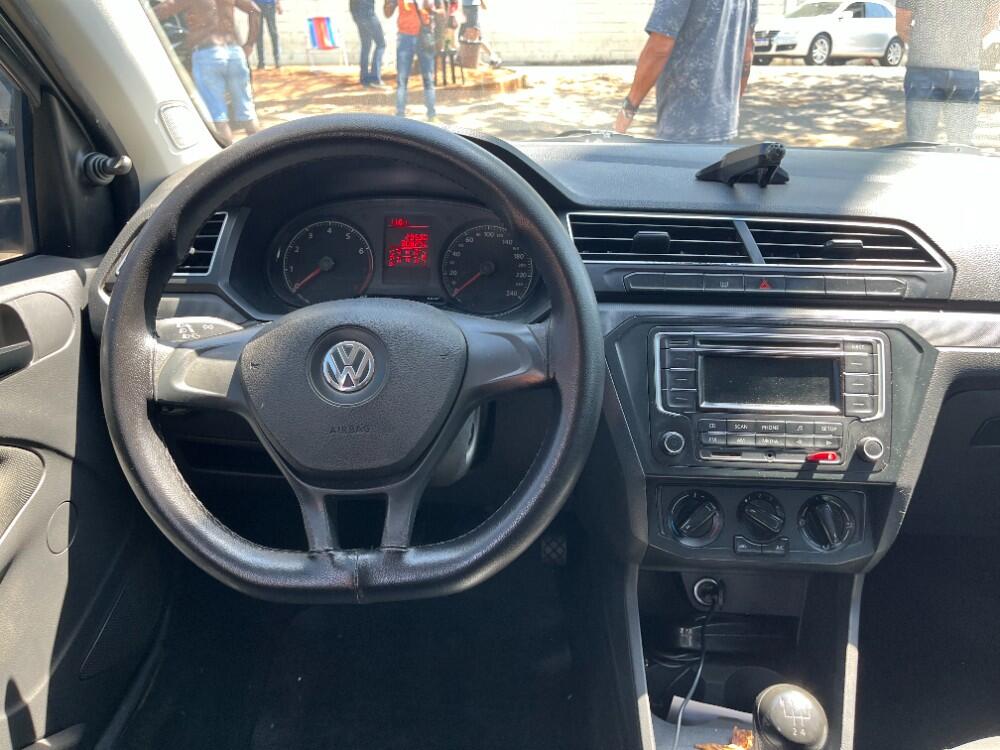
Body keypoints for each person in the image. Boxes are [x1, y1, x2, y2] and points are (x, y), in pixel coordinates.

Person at [613, 0, 757, 143]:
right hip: (723, 124)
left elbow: (660, 46)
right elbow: (748, 47)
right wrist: (731, 107)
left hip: (683, 127)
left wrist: (628, 110)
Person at [154, 0, 261, 142]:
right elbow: (255, 11)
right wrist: (249, 44)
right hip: (234, 53)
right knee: (248, 113)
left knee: (218, 117)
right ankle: (262, 153)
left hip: (208, 54)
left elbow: (161, 11)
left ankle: (229, 155)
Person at [896, 0, 1000, 146]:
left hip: (935, 69)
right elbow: (902, 25)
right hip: (942, 69)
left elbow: (901, 25)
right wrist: (961, 44)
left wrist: (933, 47)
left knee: (930, 143)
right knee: (930, 143)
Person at [384, 0, 436, 120]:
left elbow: (435, 9)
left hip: (424, 35)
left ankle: (432, 115)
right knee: (402, 79)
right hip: (405, 37)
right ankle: (400, 116)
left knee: (428, 78)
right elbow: (387, 13)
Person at [352, 0, 388, 87]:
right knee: (381, 44)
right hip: (368, 13)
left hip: (357, 14)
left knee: (366, 45)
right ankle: (375, 78)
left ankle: (364, 78)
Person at [255, 0, 281, 70]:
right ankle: (261, 62)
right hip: (256, 5)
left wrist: (278, 3)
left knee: (273, 33)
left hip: (270, 5)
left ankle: (277, 61)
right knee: (258, 34)